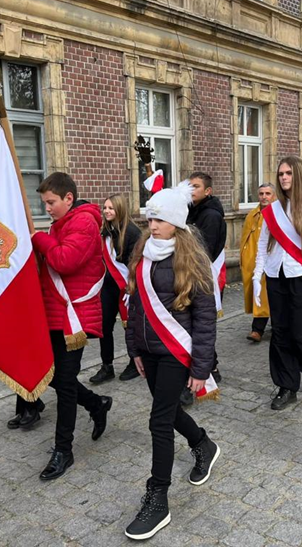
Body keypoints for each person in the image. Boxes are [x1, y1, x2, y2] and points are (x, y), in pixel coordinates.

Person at [124, 183, 219, 541]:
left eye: (160, 219)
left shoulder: (192, 259)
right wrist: (133, 348)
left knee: (158, 421)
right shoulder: (142, 251)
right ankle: (204, 445)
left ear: (177, 223)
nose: (153, 225)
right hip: (148, 350)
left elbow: (206, 317)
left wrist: (201, 367)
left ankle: (158, 497)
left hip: (177, 352)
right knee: (167, 412)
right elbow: (135, 305)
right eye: (150, 218)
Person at [30, 172, 112, 481]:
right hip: (54, 314)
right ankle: (97, 403)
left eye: (51, 202)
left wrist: (38, 237)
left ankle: (63, 449)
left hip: (73, 319)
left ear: (68, 198)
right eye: (44, 203)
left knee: (64, 382)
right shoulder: (60, 224)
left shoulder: (84, 222)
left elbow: (64, 260)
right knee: (52, 378)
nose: (47, 208)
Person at [253, 157, 302, 411]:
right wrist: (257, 276)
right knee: (280, 333)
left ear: (298, 176)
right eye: (281, 174)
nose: (284, 178)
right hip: (277, 276)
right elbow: (263, 245)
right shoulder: (273, 210)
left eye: (288, 173)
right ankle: (287, 386)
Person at [90, 194, 142, 384]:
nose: (107, 211)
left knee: (130, 325)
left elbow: (135, 263)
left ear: (120, 209)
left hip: (127, 285)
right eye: (105, 208)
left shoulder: (133, 233)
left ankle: (134, 362)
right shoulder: (105, 231)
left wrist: (132, 286)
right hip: (109, 286)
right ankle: (107, 366)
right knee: (104, 325)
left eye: (111, 208)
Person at [185, 172, 226, 396]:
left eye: (196, 187)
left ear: (207, 191)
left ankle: (210, 368)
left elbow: (203, 249)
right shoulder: (191, 210)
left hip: (203, 277)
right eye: (189, 185)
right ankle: (210, 363)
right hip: (192, 273)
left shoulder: (210, 215)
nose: (191, 190)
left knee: (201, 324)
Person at [239, 183, 275, 343]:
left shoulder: (279, 213)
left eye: (268, 193)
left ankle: (259, 329)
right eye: (261, 193)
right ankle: (257, 329)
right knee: (260, 295)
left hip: (273, 262)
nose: (264, 197)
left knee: (270, 297)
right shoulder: (252, 215)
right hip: (255, 262)